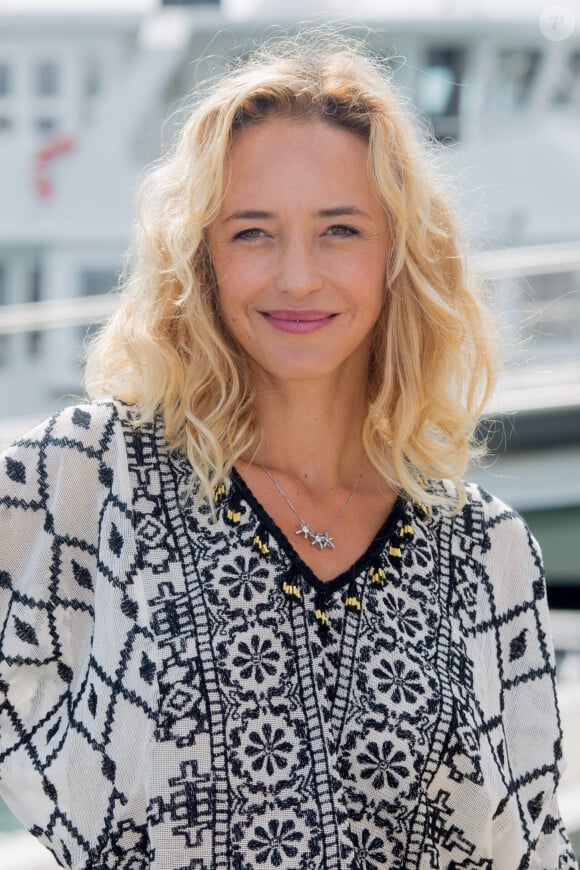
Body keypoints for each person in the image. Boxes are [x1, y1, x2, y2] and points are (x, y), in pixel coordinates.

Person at [0, 30, 577, 870]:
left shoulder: (489, 552)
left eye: (339, 230)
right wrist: (105, 830)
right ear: (201, 261)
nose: (298, 276)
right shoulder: (91, 475)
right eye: (252, 233)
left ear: (398, 256)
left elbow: (529, 845)